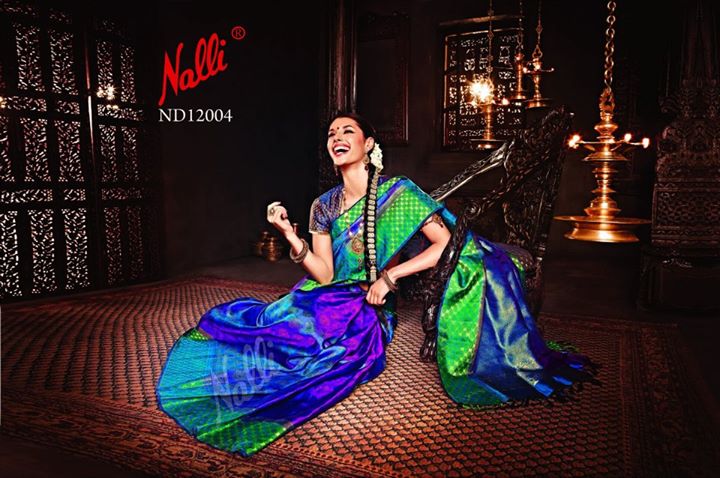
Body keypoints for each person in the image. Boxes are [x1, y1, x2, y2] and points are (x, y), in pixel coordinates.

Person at [156, 112, 594, 457]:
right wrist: (289, 234)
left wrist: (390, 276)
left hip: (367, 300)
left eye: (347, 131)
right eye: (331, 133)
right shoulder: (323, 205)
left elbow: (445, 244)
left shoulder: (398, 192)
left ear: (368, 145)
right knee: (275, 326)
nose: (336, 137)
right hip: (327, 292)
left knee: (331, 357)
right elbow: (325, 274)